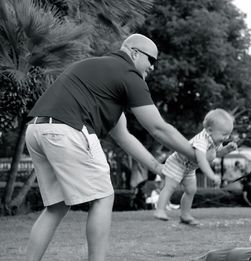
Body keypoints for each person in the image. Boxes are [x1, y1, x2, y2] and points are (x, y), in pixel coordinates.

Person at [24, 33, 196, 261]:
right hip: (68, 128)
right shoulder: (128, 73)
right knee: (103, 197)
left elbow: (124, 137)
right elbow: (158, 128)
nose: (152, 68)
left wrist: (160, 168)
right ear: (134, 52)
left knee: (56, 207)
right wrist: (195, 154)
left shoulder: (98, 73)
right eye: (151, 60)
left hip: (37, 130)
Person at [154, 109, 238, 225]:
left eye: (228, 134)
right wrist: (211, 175)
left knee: (191, 190)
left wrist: (227, 149)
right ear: (209, 130)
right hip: (177, 163)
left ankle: (185, 215)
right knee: (170, 186)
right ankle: (160, 210)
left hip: (189, 168)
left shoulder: (214, 141)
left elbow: (215, 154)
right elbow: (202, 160)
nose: (226, 137)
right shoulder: (201, 141)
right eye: (224, 134)